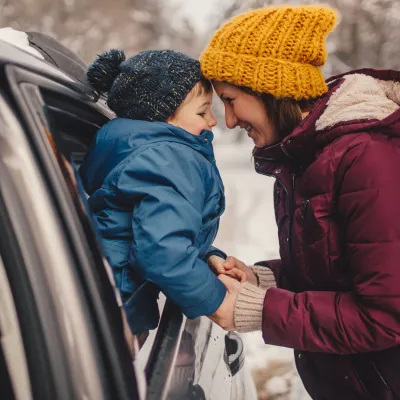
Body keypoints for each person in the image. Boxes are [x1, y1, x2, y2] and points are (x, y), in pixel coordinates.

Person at [202, 4, 400, 400]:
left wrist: (263, 309)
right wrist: (264, 281)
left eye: (230, 99)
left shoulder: (368, 160)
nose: (228, 120)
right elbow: (335, 273)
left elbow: (386, 316)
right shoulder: (300, 160)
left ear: (269, 90)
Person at [79, 49, 245, 343]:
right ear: (163, 116)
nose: (213, 122)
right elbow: (162, 250)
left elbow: (145, 226)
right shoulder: (170, 159)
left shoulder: (135, 149)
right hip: (121, 305)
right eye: (202, 111)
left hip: (106, 289)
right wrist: (217, 301)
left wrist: (205, 255)